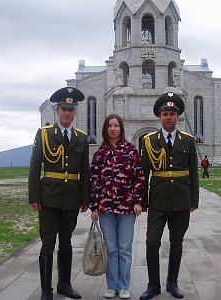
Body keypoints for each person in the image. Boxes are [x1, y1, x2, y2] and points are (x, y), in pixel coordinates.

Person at [28, 87, 89, 300]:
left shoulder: (81, 138)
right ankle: (46, 290)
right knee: (47, 243)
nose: (67, 113)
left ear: (75, 112)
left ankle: (64, 284)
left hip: (71, 197)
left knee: (66, 241)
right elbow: (35, 166)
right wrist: (34, 196)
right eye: (64, 109)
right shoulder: (44, 134)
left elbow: (84, 170)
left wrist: (85, 197)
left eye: (71, 109)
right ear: (57, 110)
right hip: (49, 197)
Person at [140, 92, 199, 300]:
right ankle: (153, 285)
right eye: (165, 113)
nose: (168, 117)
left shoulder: (188, 140)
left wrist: (194, 200)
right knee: (151, 242)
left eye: (172, 113)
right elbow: (143, 172)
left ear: (178, 116)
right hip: (157, 199)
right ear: (159, 116)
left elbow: (193, 171)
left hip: (182, 199)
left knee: (176, 242)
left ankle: (172, 283)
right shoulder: (149, 141)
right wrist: (142, 201)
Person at [89, 114, 145, 299]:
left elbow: (138, 177)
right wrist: (94, 207)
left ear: (121, 128)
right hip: (105, 208)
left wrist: (138, 201)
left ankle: (124, 285)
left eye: (116, 126)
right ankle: (112, 286)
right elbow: (94, 181)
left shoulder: (130, 150)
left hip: (127, 207)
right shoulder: (100, 153)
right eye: (110, 126)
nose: (113, 129)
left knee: (125, 248)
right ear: (105, 129)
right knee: (111, 248)